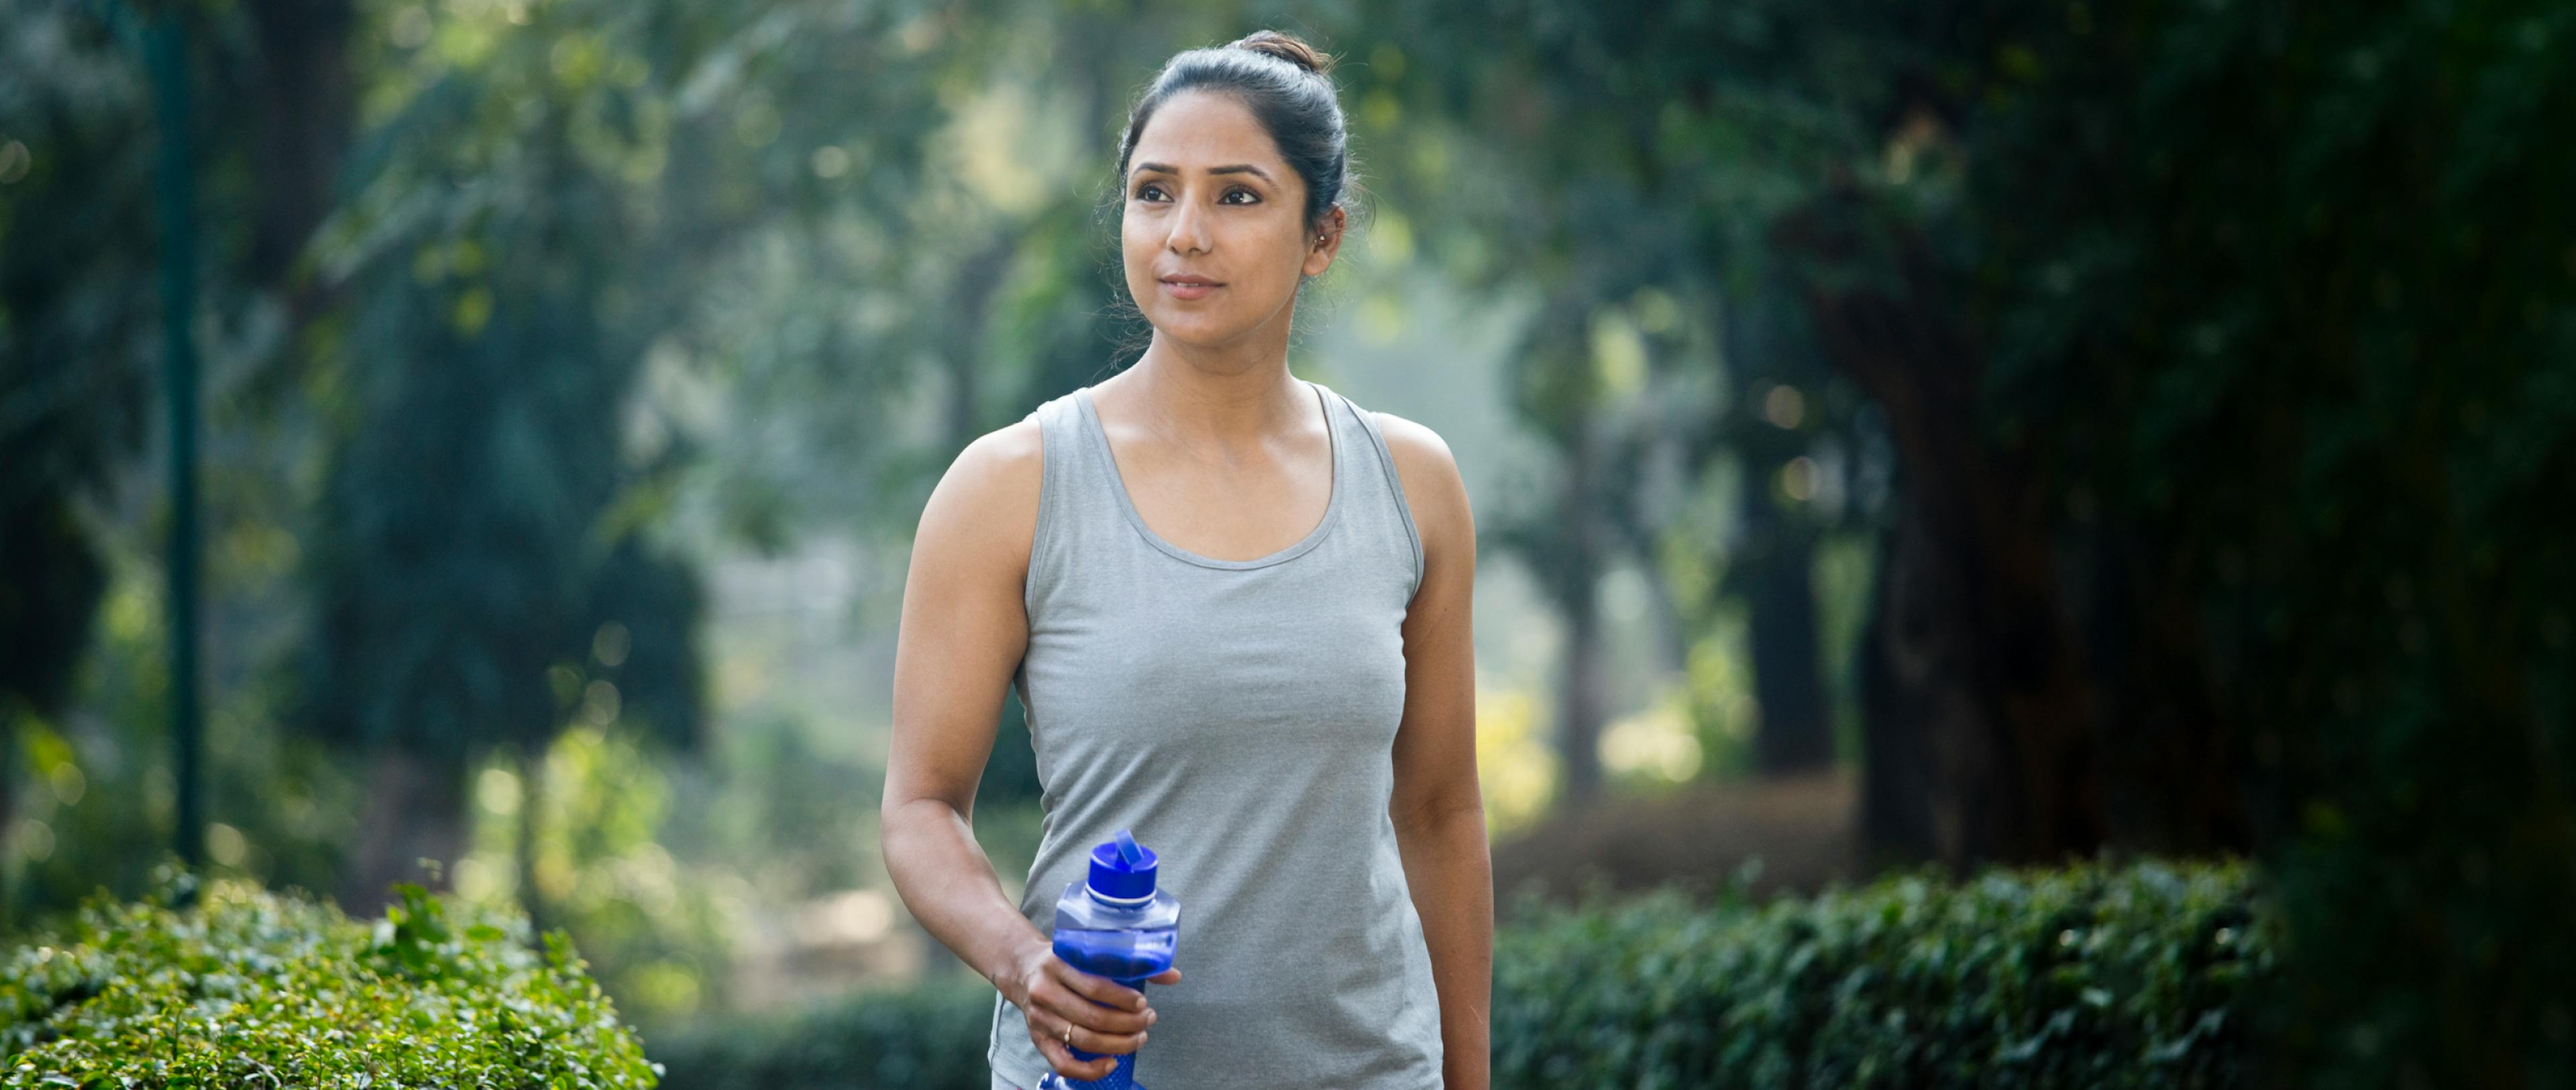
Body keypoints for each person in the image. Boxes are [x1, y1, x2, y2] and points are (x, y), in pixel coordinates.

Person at [879, 29, 1492, 1090]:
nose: (1185, 234)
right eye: (1154, 192)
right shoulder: (1012, 485)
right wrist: (1026, 964)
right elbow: (921, 806)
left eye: (1238, 196)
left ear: (1323, 235)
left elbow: (1441, 813)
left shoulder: (1412, 483)